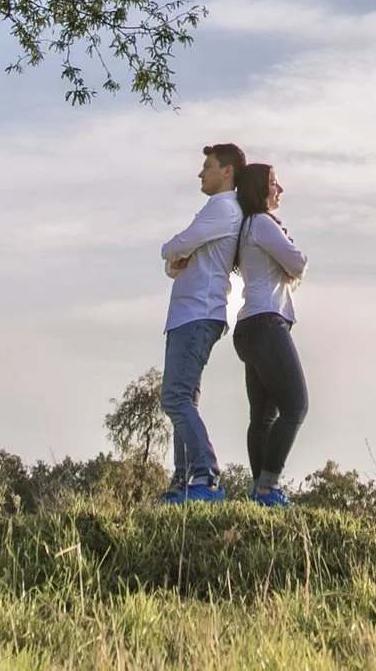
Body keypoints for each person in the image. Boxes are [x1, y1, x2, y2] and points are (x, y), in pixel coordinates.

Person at [154, 141, 245, 503]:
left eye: (207, 166)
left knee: (175, 397)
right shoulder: (215, 210)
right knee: (184, 399)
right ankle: (183, 483)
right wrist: (176, 256)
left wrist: (174, 252)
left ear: (227, 171)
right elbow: (174, 262)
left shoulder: (223, 208)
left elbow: (175, 247)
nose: (200, 173)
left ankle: (206, 475)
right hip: (188, 315)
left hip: (198, 313)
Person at [229, 161, 309, 507]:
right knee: (296, 405)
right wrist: (291, 266)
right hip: (266, 323)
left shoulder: (247, 227)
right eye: (274, 183)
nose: (280, 189)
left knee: (262, 418)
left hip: (250, 327)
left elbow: (289, 269)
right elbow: (298, 263)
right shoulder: (261, 223)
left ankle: (260, 491)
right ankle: (268, 486)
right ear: (259, 188)